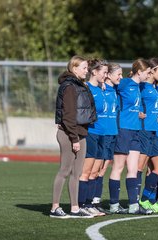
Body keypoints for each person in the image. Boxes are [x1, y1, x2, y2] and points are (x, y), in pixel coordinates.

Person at [50, 56, 96, 218]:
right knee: (64, 170)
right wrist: (74, 139)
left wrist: (79, 136)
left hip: (80, 133)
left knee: (76, 173)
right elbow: (68, 116)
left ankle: (75, 208)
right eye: (84, 68)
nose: (87, 70)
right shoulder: (69, 86)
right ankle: (55, 208)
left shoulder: (79, 84)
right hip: (69, 134)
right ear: (74, 69)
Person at [108, 59, 152, 214]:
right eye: (147, 72)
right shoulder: (125, 83)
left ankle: (133, 205)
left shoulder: (140, 87)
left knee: (133, 169)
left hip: (135, 131)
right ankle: (113, 204)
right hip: (123, 130)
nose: (149, 75)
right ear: (139, 72)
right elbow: (108, 85)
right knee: (118, 167)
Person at [137, 58, 158, 213]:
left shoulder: (154, 88)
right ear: (152, 70)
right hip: (144, 131)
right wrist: (137, 113)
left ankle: (147, 200)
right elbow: (128, 100)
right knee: (139, 168)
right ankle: (136, 201)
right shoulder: (142, 86)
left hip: (154, 131)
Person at [78, 59, 108, 217]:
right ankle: (81, 205)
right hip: (91, 133)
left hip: (102, 133)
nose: (106, 75)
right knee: (86, 172)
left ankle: (89, 204)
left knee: (95, 172)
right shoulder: (86, 88)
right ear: (94, 72)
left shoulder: (102, 88)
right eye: (104, 71)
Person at [92, 63, 123, 212]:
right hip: (102, 133)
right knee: (96, 169)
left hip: (112, 133)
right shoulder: (100, 88)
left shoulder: (115, 90)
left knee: (103, 170)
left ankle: (96, 202)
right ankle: (91, 202)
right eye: (118, 74)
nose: (121, 77)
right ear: (108, 75)